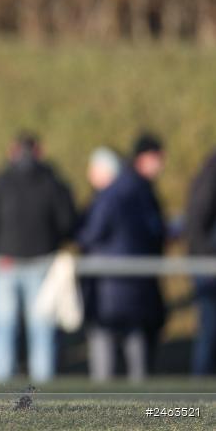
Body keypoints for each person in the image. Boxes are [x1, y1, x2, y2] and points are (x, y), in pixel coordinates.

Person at [0, 132, 76, 383]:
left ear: (12, 150)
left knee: (3, 326)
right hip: (41, 261)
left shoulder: (0, 181)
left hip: (6, 263)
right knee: (41, 328)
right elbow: (67, 222)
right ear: (38, 150)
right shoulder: (51, 181)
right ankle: (42, 383)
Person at [77, 133, 167, 382]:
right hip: (133, 286)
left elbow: (90, 234)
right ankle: (143, 412)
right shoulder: (137, 191)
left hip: (108, 287)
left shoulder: (111, 196)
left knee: (106, 356)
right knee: (135, 354)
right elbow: (155, 233)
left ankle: (105, 412)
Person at [185, 147, 216, 375]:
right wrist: (206, 260)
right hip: (209, 268)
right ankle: (199, 398)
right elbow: (196, 219)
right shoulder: (212, 173)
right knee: (209, 331)